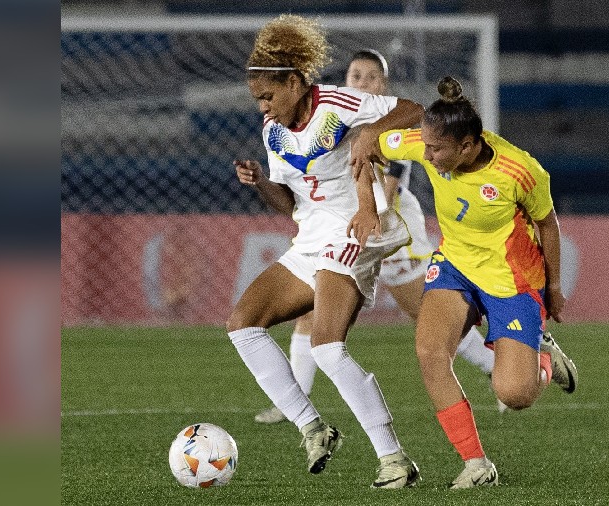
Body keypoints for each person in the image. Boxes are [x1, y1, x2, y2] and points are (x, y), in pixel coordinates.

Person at [226, 15, 422, 489]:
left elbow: (413, 109)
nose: (263, 106)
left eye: (268, 95)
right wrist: (261, 183)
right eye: (258, 99)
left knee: (328, 346)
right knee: (242, 325)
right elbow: (290, 202)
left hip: (359, 225)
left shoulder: (336, 102)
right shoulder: (274, 131)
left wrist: (372, 133)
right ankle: (313, 427)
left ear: (295, 82)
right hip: (313, 235)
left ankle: (393, 458)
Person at [254, 49, 499, 426]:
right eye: (356, 76)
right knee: (312, 313)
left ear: (382, 86)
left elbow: (390, 187)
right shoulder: (339, 119)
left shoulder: (392, 129)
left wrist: (363, 214)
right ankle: (295, 399)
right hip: (354, 228)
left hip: (388, 227)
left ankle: (499, 363)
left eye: (371, 77)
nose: (363, 82)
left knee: (425, 314)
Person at [376, 76, 579, 489]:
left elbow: (548, 225)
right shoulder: (426, 143)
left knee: (514, 395)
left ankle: (542, 357)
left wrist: (553, 289)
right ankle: (475, 464)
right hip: (455, 265)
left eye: (437, 150)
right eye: (425, 146)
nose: (427, 155)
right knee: (430, 351)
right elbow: (370, 142)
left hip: (512, 280)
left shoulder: (520, 170)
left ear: (468, 146)